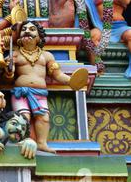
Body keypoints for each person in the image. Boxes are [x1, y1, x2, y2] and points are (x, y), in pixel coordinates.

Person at [7, 21, 88, 153]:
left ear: (39, 37)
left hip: (40, 93)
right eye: (24, 29)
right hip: (20, 93)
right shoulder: (15, 54)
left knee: (43, 118)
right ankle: (22, 141)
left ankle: (41, 143)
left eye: (32, 29)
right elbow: (8, 76)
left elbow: (57, 74)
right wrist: (9, 71)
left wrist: (71, 81)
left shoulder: (46, 56)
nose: (27, 31)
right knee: (23, 117)